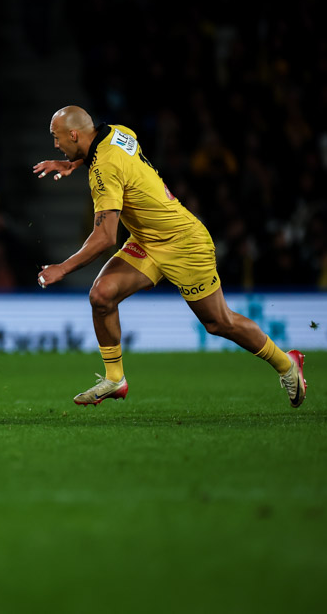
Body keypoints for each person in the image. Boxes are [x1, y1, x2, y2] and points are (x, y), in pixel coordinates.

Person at [32, 105, 306, 407]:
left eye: (57, 138)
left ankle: (287, 364)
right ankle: (115, 379)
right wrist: (74, 163)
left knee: (218, 322)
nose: (55, 144)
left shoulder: (103, 170)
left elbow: (105, 238)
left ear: (74, 134)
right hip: (148, 241)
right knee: (102, 296)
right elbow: (111, 157)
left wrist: (63, 268)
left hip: (185, 243)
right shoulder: (115, 132)